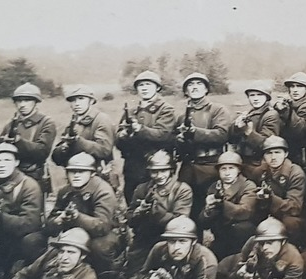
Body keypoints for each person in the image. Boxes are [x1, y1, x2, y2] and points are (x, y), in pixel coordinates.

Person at [0, 142, 46, 279]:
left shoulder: (28, 186)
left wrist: (0, 217)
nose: (2, 165)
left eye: (7, 160)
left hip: (19, 237)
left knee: (32, 242)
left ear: (16, 162)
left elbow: (30, 223)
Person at [44, 152, 124, 278]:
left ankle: (106, 278)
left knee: (99, 247)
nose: (76, 175)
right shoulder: (65, 192)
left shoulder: (103, 191)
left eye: (81, 171)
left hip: (107, 233)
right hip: (76, 233)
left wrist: (77, 217)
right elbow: (49, 226)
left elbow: (102, 226)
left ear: (92, 173)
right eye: (72, 171)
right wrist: (58, 220)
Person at [116, 217, 219, 279]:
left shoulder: (206, 261)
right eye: (171, 241)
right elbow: (141, 276)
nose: (176, 247)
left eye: (182, 241)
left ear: (193, 242)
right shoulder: (159, 249)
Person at [115, 70, 181, 203]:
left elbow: (162, 135)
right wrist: (123, 136)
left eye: (148, 84)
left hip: (157, 166)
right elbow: (118, 142)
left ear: (157, 87)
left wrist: (139, 129)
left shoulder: (166, 109)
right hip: (132, 165)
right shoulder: (132, 111)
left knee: (158, 202)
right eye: (141, 85)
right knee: (132, 201)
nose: (144, 88)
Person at [124, 150, 195, 272]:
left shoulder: (182, 190)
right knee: (136, 274)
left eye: (163, 171)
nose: (159, 176)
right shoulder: (142, 189)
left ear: (171, 170)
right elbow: (130, 219)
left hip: (170, 239)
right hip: (145, 238)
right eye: (154, 172)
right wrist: (139, 211)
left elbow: (180, 222)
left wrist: (156, 210)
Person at [174, 72, 231, 220]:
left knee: (215, 210)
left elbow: (222, 135)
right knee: (189, 212)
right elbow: (176, 147)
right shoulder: (181, 116)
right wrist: (179, 141)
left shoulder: (218, 110)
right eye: (190, 85)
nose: (194, 87)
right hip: (188, 168)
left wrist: (194, 133)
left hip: (210, 167)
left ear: (206, 89)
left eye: (199, 84)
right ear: (186, 91)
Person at [216, 217, 306, 279]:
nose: (265, 247)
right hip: (228, 266)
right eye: (262, 243)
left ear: (283, 241)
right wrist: (240, 273)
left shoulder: (294, 259)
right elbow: (241, 262)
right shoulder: (253, 242)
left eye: (270, 243)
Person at [199, 150, 263, 260]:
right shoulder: (214, 187)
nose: (227, 173)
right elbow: (203, 220)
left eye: (231, 168)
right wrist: (208, 209)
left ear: (239, 170)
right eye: (223, 169)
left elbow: (245, 211)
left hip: (240, 233)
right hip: (220, 232)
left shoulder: (248, 185)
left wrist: (222, 204)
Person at [0, 82, 58, 194]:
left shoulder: (46, 122)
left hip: (34, 175)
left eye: (27, 100)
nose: (22, 105)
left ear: (36, 102)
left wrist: (19, 142)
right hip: (11, 176)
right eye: (19, 101)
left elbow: (42, 152)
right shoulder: (10, 124)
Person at [50, 84, 115, 180]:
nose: (76, 103)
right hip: (76, 177)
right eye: (73, 100)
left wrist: (78, 141)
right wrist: (64, 147)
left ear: (91, 101)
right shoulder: (73, 122)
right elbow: (56, 157)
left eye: (81, 99)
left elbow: (104, 150)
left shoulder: (101, 119)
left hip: (98, 177)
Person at [230, 80, 282, 176]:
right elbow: (232, 139)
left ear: (267, 97)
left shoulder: (271, 114)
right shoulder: (249, 113)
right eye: (252, 95)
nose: (255, 98)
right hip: (244, 161)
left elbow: (268, 144)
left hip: (259, 164)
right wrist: (237, 127)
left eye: (259, 95)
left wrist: (249, 132)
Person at [274, 71, 306, 175]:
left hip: (304, 155)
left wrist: (286, 111)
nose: (294, 90)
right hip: (289, 151)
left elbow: (299, 130)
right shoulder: (290, 104)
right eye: (292, 86)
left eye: (299, 86)